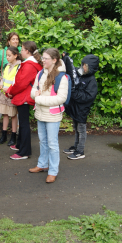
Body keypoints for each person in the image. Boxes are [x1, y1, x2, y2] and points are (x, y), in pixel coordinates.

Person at [30, 48, 69, 183]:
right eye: (43, 58)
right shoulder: (40, 73)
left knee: (52, 143)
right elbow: (33, 90)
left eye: (46, 58)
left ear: (54, 60)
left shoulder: (61, 77)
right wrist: (35, 95)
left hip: (52, 115)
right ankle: (42, 165)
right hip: (40, 113)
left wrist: (38, 99)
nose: (43, 60)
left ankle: (53, 171)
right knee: (42, 141)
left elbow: (61, 98)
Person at [6, 41, 43, 160]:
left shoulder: (29, 65)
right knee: (22, 123)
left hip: (25, 97)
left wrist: (10, 91)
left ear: (27, 51)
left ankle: (24, 152)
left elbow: (21, 83)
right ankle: (20, 145)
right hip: (25, 96)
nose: (20, 51)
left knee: (24, 124)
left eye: (22, 49)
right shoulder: (31, 64)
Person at [63, 54, 100, 160]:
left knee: (81, 129)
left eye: (85, 66)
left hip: (82, 109)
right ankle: (76, 146)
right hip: (76, 107)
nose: (83, 67)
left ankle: (80, 150)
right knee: (76, 127)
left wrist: (75, 93)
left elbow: (88, 96)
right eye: (83, 65)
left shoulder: (91, 80)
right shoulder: (81, 75)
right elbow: (71, 70)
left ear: (90, 68)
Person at [0, 32, 21, 132]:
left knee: (15, 110)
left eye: (17, 39)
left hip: (14, 88)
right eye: (13, 39)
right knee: (1, 107)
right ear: (8, 41)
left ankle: (17, 128)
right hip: (3, 85)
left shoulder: (21, 52)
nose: (15, 41)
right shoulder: (2, 53)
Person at [0, 46, 22, 146]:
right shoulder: (7, 65)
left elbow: (17, 81)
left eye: (9, 55)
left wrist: (10, 90)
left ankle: (13, 135)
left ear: (15, 55)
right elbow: (4, 78)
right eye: (6, 55)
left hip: (12, 94)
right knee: (5, 114)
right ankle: (4, 135)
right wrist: (1, 84)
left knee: (13, 115)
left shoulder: (19, 67)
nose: (7, 57)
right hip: (4, 94)